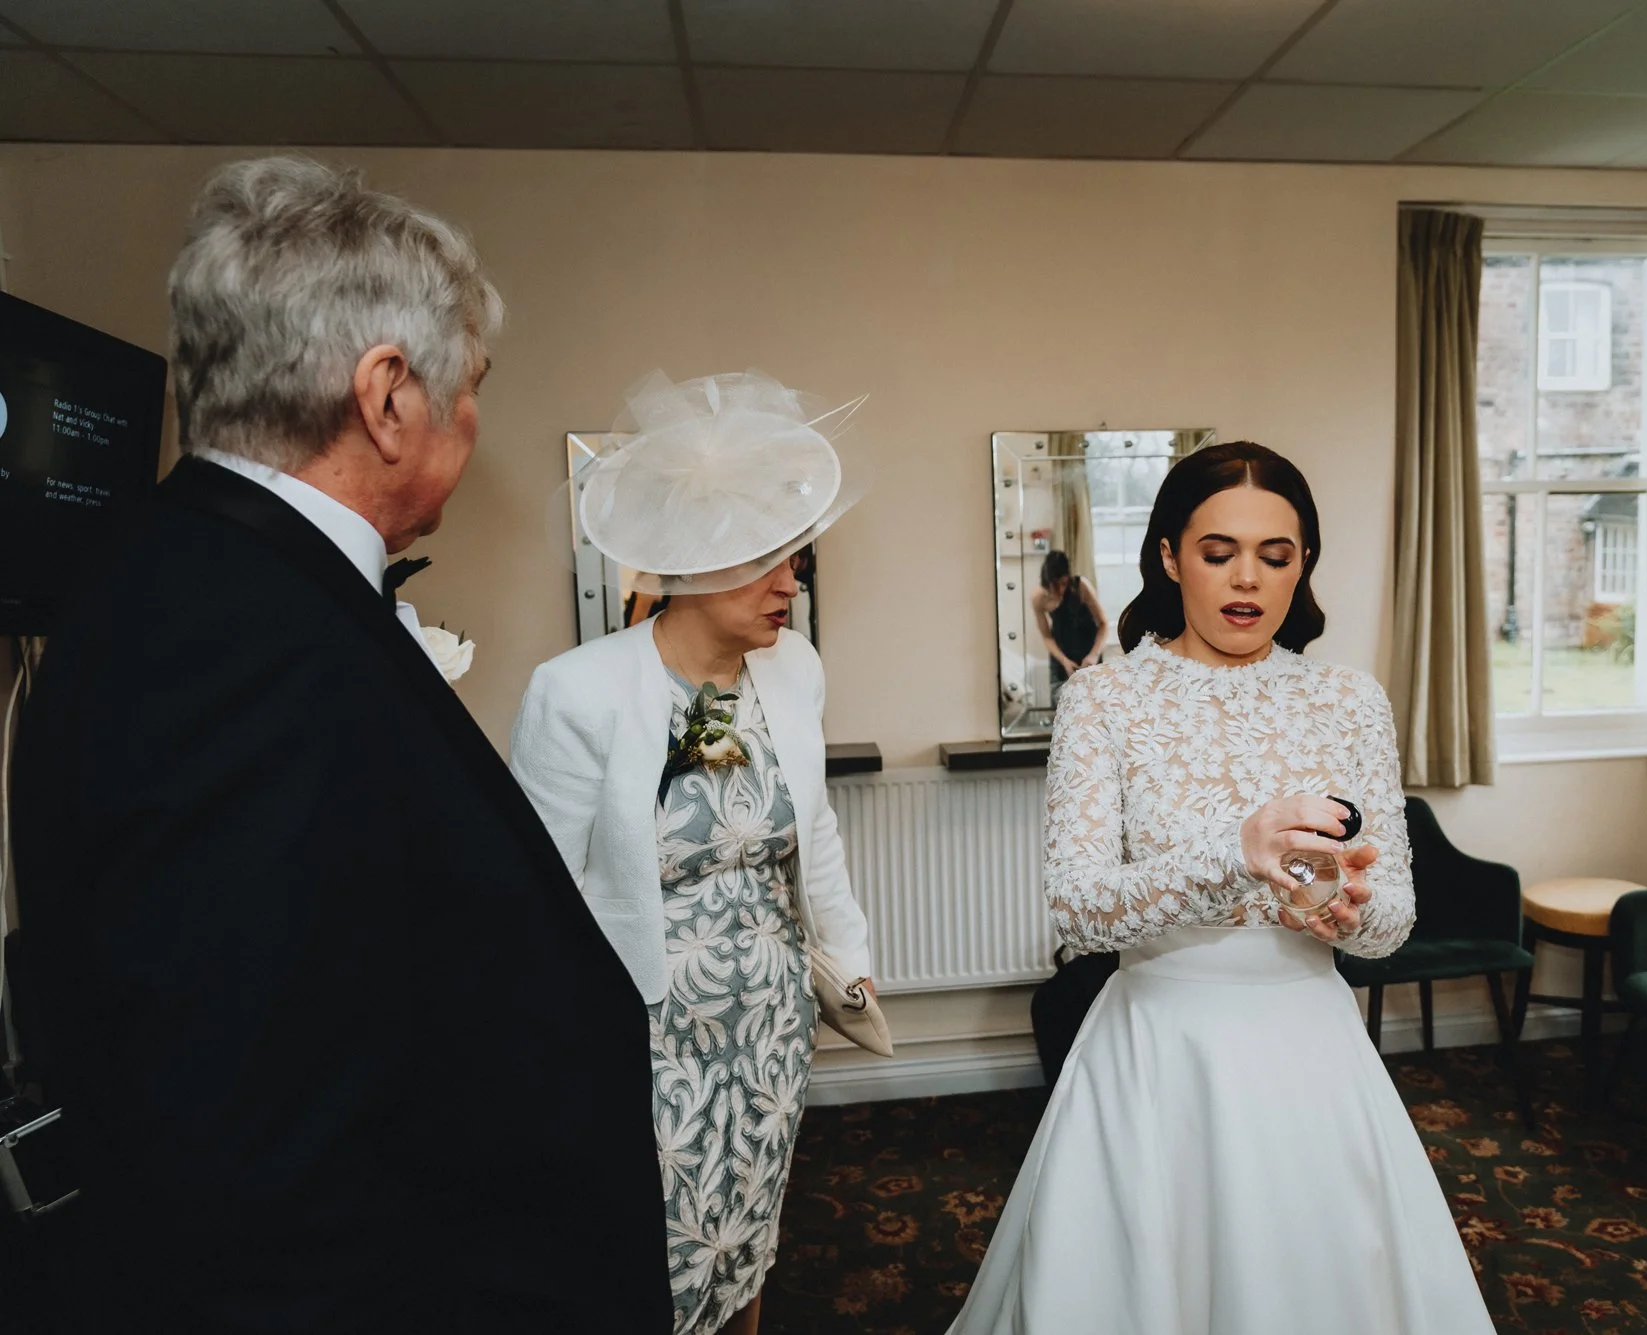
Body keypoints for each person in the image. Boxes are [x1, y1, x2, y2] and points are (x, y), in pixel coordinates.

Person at [8, 158, 668, 1329]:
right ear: (388, 395)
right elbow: (256, 1161)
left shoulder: (187, 580)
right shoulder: (237, 644)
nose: (474, 416)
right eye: (471, 386)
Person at [949, 442, 1495, 1334]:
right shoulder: (1106, 700)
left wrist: (1343, 908)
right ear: (1169, 557)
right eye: (1218, 552)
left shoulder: (1351, 701)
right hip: (1161, 1049)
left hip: (1310, 1049)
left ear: (1303, 563)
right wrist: (1233, 855)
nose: (1247, 579)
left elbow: (1391, 919)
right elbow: (1080, 905)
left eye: (1276, 556)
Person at [510, 371, 880, 1335]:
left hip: (770, 1020)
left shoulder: (795, 671)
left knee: (750, 1231)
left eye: (794, 560)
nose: (791, 583)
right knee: (653, 1253)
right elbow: (537, 889)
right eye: (769, 563)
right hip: (644, 1030)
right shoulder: (578, 690)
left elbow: (818, 828)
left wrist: (852, 956)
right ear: (696, 563)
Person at [1030, 549, 1109, 693]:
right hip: (1062, 656)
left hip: (1089, 652)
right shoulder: (1039, 598)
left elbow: (1103, 624)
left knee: (1094, 701)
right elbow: (1047, 636)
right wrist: (1063, 661)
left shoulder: (1081, 586)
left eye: (1064, 583)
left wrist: (1094, 655)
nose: (1061, 589)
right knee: (1062, 703)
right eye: (1056, 585)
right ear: (1047, 582)